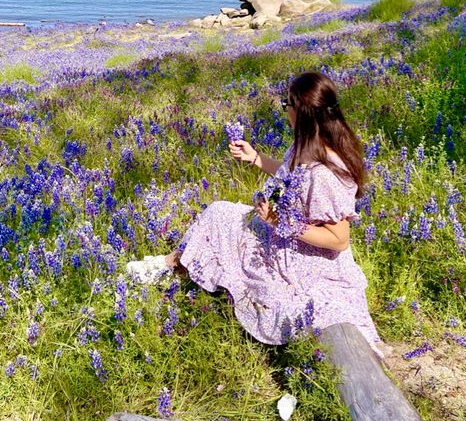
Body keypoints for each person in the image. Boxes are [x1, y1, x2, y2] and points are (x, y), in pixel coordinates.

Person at [126, 71, 384, 356]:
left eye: (288, 104)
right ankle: (172, 264)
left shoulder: (325, 171)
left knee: (247, 259)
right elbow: (290, 176)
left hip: (306, 256)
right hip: (285, 232)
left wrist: (281, 222)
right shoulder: (310, 143)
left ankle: (170, 267)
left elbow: (338, 239)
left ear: (304, 112)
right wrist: (256, 158)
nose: (285, 110)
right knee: (219, 213)